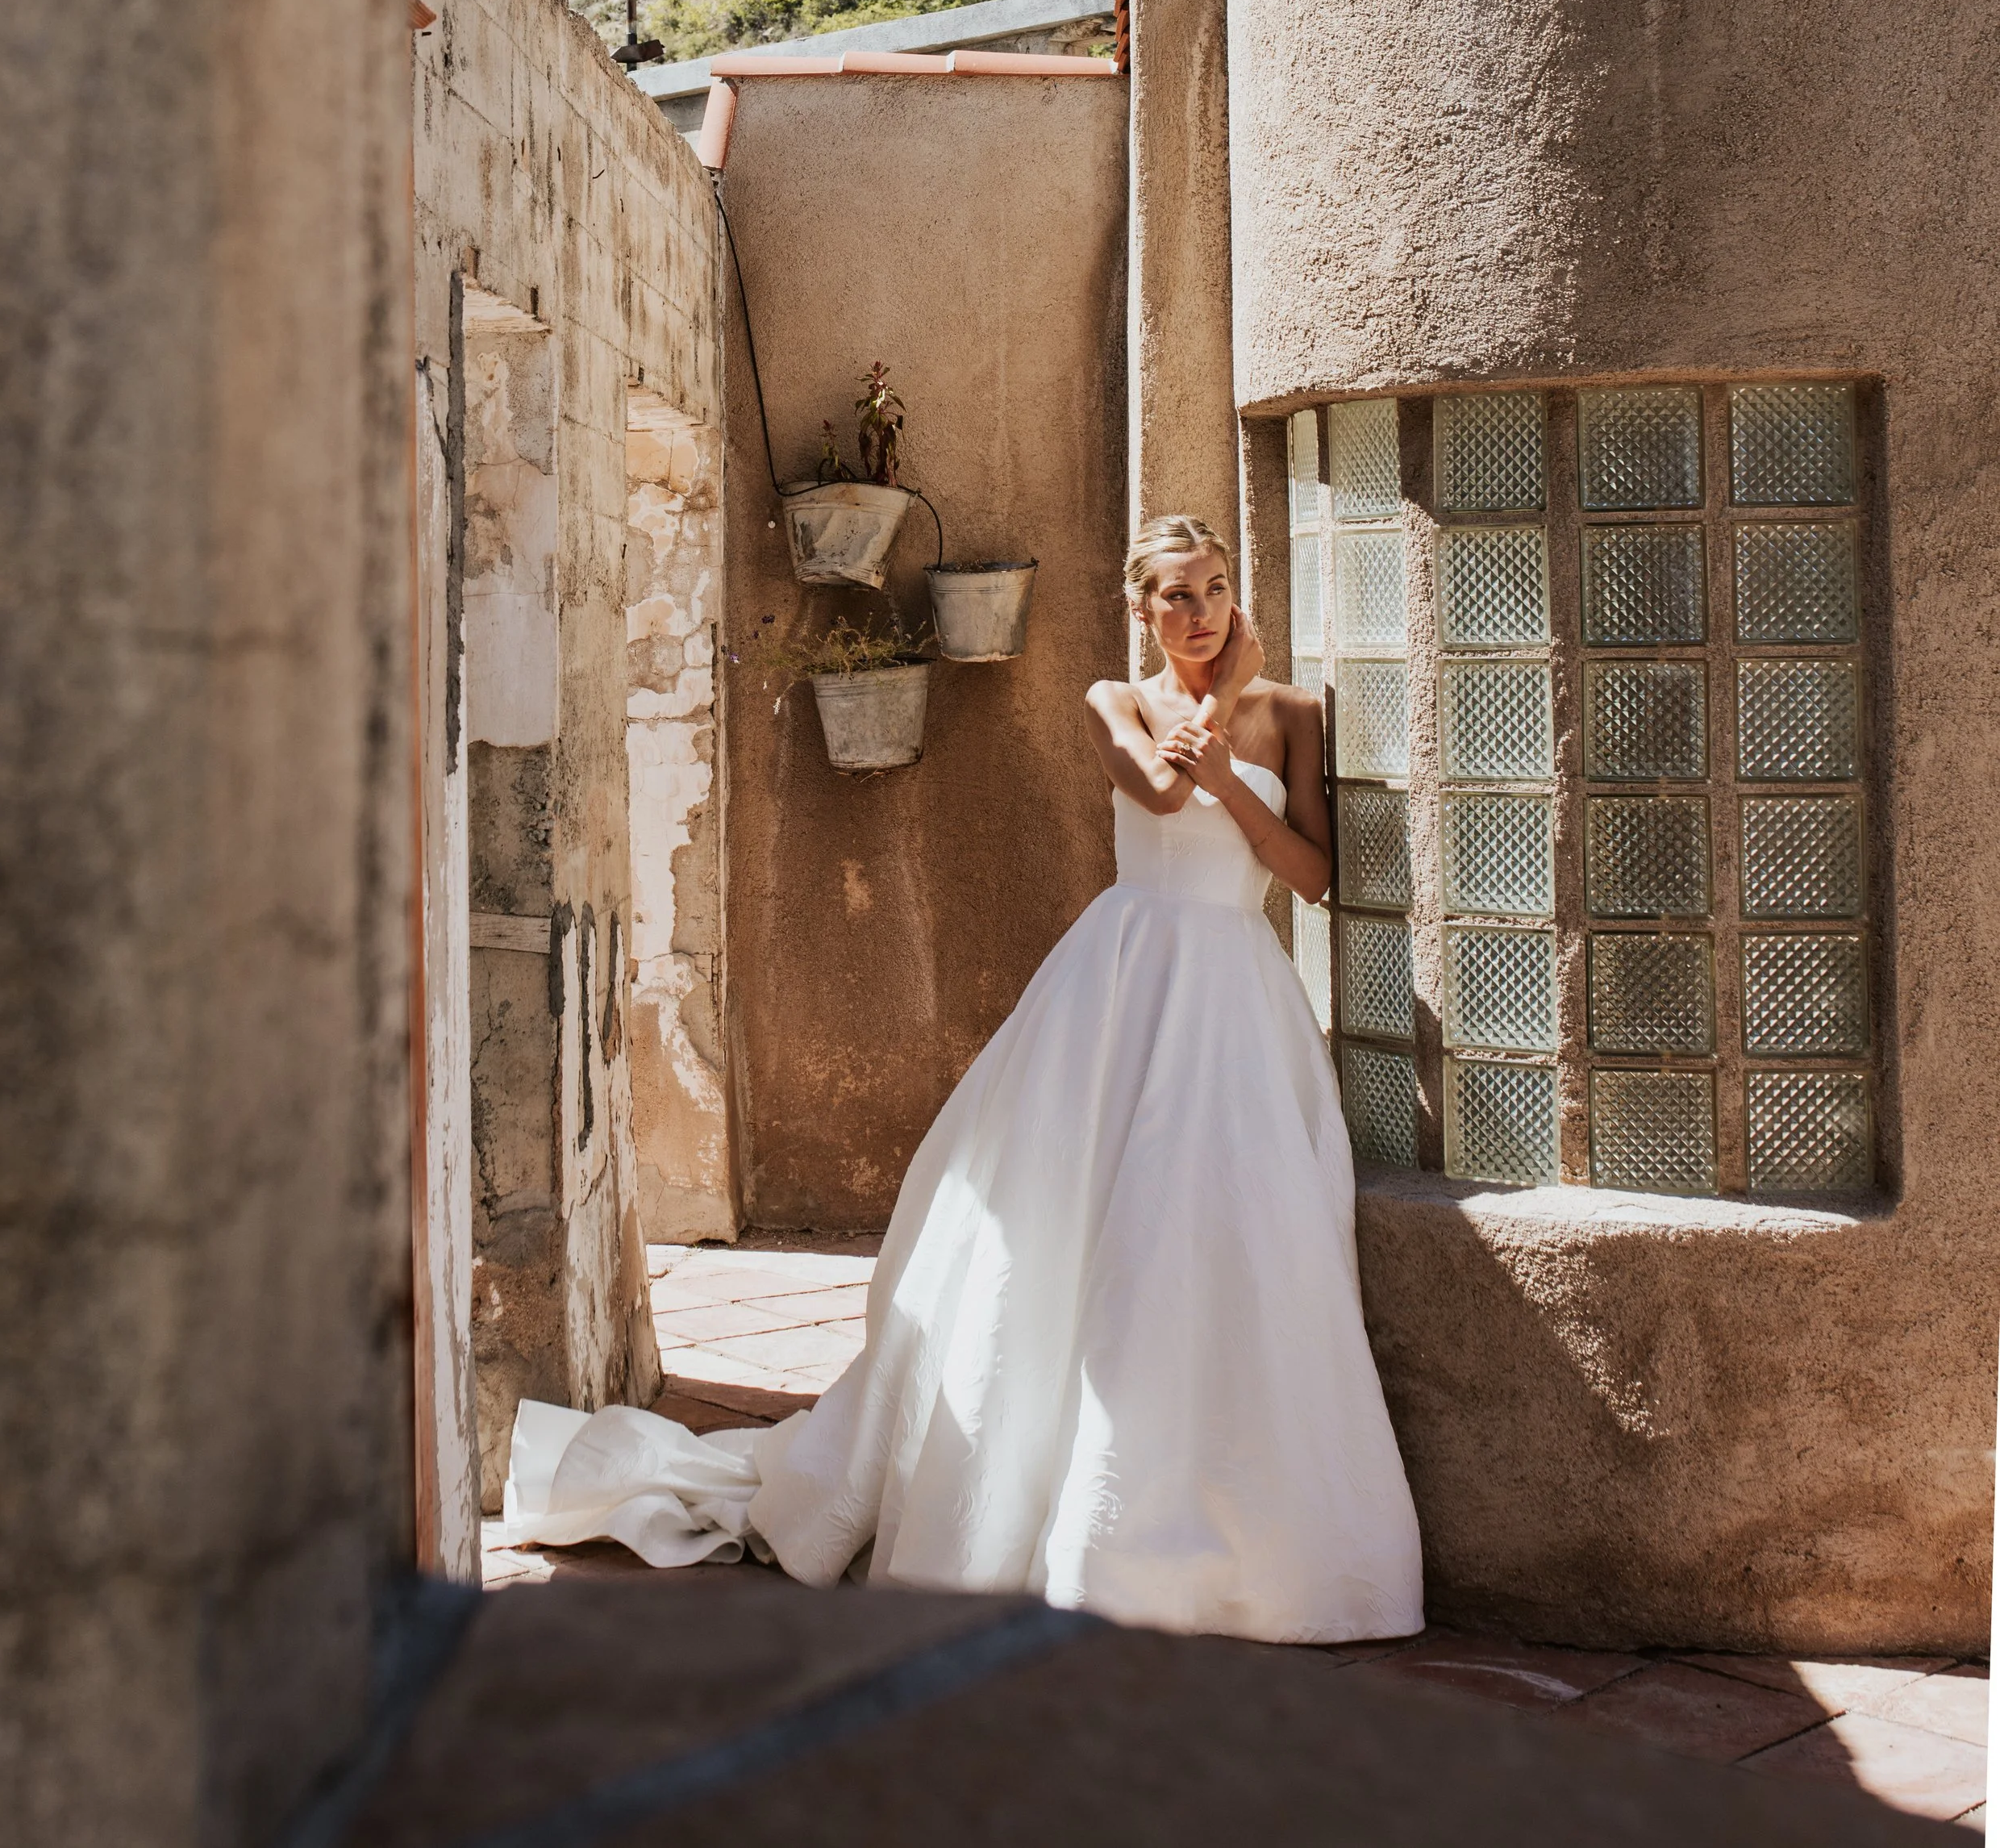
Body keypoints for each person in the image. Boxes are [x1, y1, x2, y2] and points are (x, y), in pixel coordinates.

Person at [491, 515, 1424, 1644]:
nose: (1202, 612)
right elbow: (1160, 798)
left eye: (1217, 588)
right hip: (1123, 986)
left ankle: (1250, 1542)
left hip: (1239, 1001)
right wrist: (1214, 725)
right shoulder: (1111, 701)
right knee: (1091, 1239)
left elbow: (1313, 875)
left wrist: (1235, 753)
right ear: (1141, 609)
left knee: (1235, 1240)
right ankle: (1082, 1530)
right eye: (1176, 594)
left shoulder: (1296, 716)